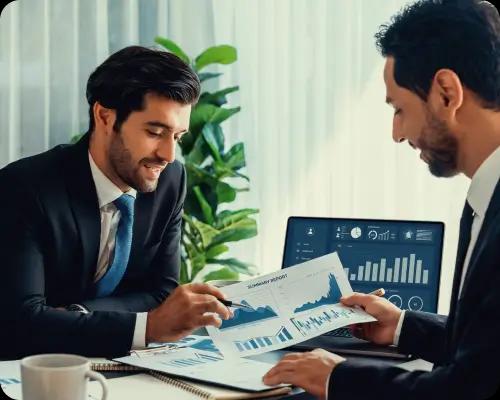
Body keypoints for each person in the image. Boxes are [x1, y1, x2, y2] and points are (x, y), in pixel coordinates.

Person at [263, 0, 500, 398]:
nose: (397, 133)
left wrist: (337, 377)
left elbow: (471, 389)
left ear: (446, 93)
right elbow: (485, 353)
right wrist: (403, 327)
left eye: (399, 109)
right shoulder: (484, 199)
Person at [0, 46, 232, 358]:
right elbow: (20, 322)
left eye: (177, 137)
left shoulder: (170, 180)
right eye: (155, 131)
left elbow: (161, 292)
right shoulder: (23, 188)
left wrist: (77, 312)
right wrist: (146, 328)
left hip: (121, 364)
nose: (168, 155)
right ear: (105, 117)